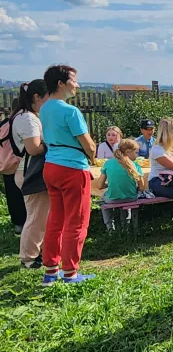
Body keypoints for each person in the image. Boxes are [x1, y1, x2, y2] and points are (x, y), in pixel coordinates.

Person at [39, 64, 97, 286]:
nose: (77, 85)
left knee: (56, 219)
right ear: (61, 83)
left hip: (51, 165)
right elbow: (88, 145)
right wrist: (92, 155)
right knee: (77, 221)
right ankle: (70, 273)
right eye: (73, 80)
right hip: (72, 167)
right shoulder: (70, 111)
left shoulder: (44, 108)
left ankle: (50, 271)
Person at [9, 80, 49, 269]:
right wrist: (52, 144)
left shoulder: (26, 116)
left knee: (41, 215)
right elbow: (33, 149)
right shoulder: (28, 119)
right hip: (30, 172)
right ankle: (29, 257)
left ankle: (39, 252)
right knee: (36, 217)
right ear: (36, 97)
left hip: (29, 171)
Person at [95, 139, 146, 232]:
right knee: (126, 194)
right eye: (136, 152)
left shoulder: (108, 163)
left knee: (103, 198)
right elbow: (142, 188)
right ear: (128, 152)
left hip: (112, 199)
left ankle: (110, 227)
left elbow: (99, 186)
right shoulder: (135, 165)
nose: (137, 155)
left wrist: (109, 185)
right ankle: (125, 225)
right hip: (131, 198)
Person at [3, 97, 26, 236]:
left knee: (11, 193)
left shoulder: (3, 124)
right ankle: (27, 222)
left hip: (5, 163)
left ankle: (18, 224)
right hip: (19, 162)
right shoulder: (20, 123)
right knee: (25, 194)